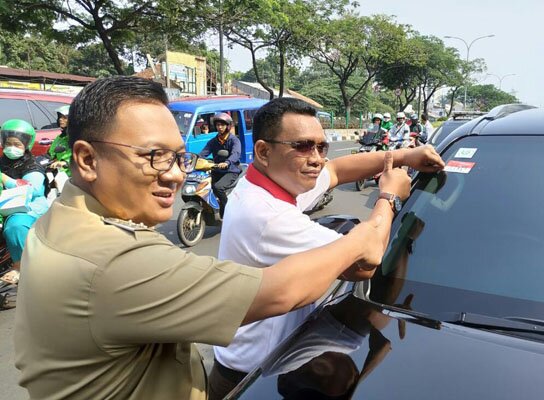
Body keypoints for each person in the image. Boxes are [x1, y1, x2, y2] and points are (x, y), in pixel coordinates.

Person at [14, 76, 405, 400]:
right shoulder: (114, 260)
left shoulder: (57, 221)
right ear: (85, 159)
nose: (174, 174)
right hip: (250, 367)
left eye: (178, 157)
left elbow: (334, 171)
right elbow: (280, 291)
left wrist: (403, 158)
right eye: (154, 156)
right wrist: (383, 204)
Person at [208, 97, 445, 399]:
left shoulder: (267, 182)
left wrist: (405, 156)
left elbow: (335, 171)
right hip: (251, 379)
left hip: (270, 361)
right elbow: (365, 262)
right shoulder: (268, 216)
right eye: (304, 146)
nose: (317, 158)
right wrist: (389, 197)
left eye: (321, 147)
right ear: (264, 151)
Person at [0, 120, 49, 286]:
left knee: (15, 226)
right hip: (3, 204)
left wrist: (5, 179)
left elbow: (32, 190)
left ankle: (20, 266)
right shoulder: (2, 162)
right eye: (8, 143)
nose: (11, 147)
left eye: (17, 144)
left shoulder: (32, 165)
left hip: (28, 206)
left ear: (26, 145)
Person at [198, 112, 241, 219]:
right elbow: (203, 153)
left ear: (228, 126)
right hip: (216, 170)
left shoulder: (234, 140)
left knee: (218, 188)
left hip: (231, 170)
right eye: (218, 125)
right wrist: (192, 160)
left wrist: (227, 162)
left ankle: (227, 211)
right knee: (203, 185)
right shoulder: (214, 141)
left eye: (222, 125)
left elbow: (236, 153)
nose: (220, 127)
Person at [47, 105, 72, 176]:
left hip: (72, 176)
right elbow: (51, 153)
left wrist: (66, 162)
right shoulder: (60, 138)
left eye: (65, 118)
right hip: (59, 173)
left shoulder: (78, 138)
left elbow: (82, 157)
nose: (61, 119)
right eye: (60, 117)